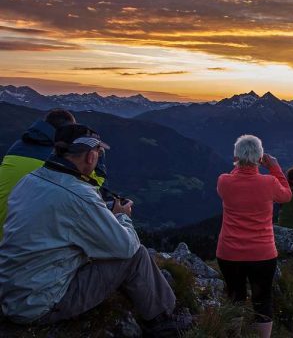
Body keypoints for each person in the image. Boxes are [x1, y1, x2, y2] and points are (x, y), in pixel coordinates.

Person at [0, 124, 182, 336]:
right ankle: (164, 322)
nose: (98, 156)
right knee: (137, 255)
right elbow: (125, 247)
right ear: (89, 156)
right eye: (98, 151)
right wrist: (122, 216)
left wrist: (104, 215)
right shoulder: (77, 194)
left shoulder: (29, 180)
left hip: (11, 293)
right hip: (38, 304)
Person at [216, 135, 292, 338]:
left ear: (235, 156)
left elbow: (236, 178)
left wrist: (241, 165)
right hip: (263, 254)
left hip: (229, 253)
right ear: (260, 158)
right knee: (262, 300)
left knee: (235, 297)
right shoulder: (269, 182)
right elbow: (286, 195)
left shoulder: (224, 181)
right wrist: (274, 168)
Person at [0, 109, 107, 239]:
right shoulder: (58, 158)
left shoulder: (18, 146)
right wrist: (99, 158)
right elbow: (92, 187)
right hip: (20, 240)